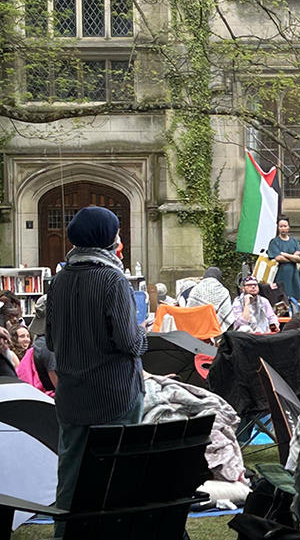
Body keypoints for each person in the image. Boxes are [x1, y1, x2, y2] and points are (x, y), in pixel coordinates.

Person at [46, 206, 148, 527]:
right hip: (113, 397)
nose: (119, 238)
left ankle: (66, 534)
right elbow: (129, 343)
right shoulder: (112, 279)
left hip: (72, 396)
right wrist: (142, 331)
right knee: (117, 478)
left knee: (71, 478)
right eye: (116, 231)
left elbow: (50, 340)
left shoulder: (59, 280)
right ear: (105, 237)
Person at [267, 217, 300, 303]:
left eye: (285, 226)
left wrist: (284, 254)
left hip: (293, 276)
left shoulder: (294, 241)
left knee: (294, 301)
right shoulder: (274, 242)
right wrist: (292, 257)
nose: (283, 228)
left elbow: (298, 258)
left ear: (288, 227)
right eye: (281, 226)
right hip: (280, 276)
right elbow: (278, 258)